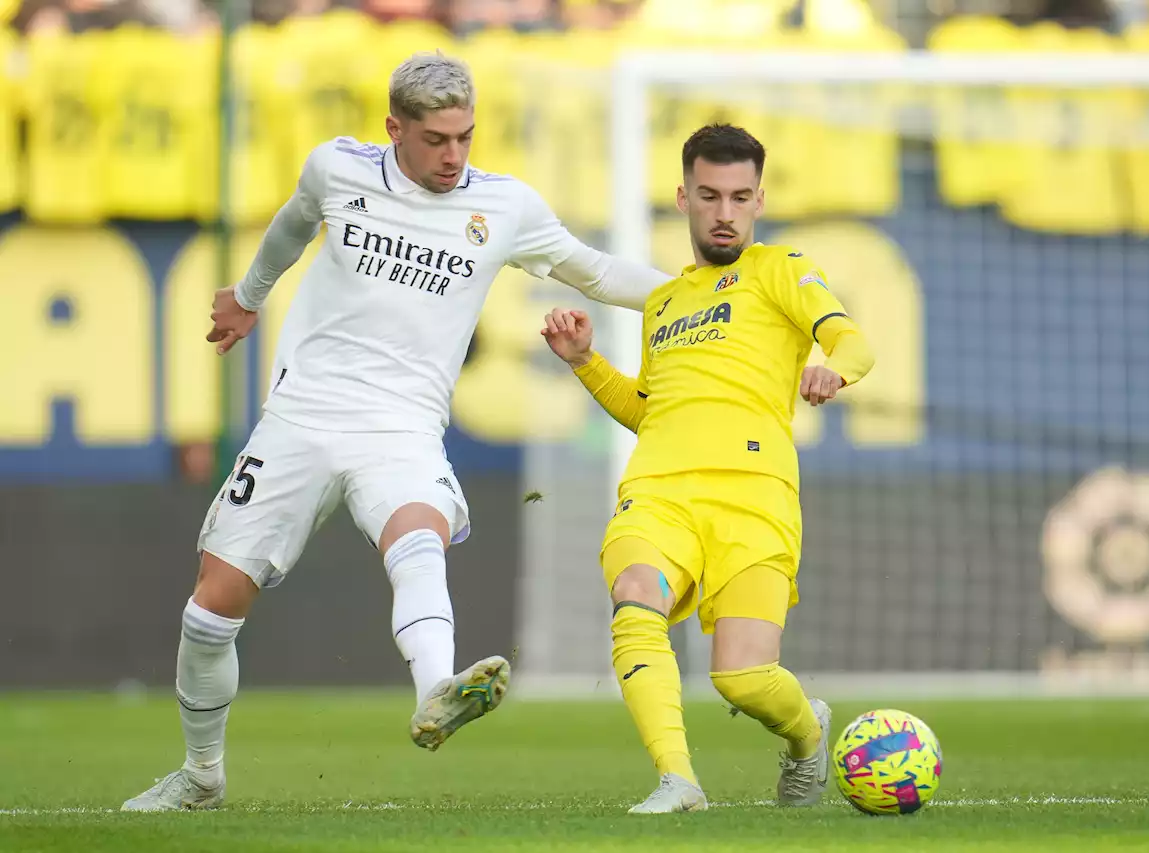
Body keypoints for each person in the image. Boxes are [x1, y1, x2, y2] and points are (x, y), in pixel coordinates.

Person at [122, 51, 669, 812]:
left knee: (418, 535)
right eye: (436, 139)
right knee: (210, 610)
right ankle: (201, 773)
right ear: (394, 129)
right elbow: (289, 226)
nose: (453, 156)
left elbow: (598, 272)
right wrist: (247, 297)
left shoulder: (502, 207)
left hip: (404, 426)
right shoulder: (336, 171)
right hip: (303, 415)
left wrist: (704, 293)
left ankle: (437, 689)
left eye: (465, 138)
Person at [541, 123, 875, 814]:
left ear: (759, 200)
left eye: (740, 196)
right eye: (710, 195)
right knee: (636, 594)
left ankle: (808, 732)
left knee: (743, 677)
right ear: (683, 197)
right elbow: (650, 410)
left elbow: (851, 338)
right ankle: (678, 779)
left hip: (756, 499)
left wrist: (833, 369)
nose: (725, 211)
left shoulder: (784, 269)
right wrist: (585, 361)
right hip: (659, 495)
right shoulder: (664, 302)